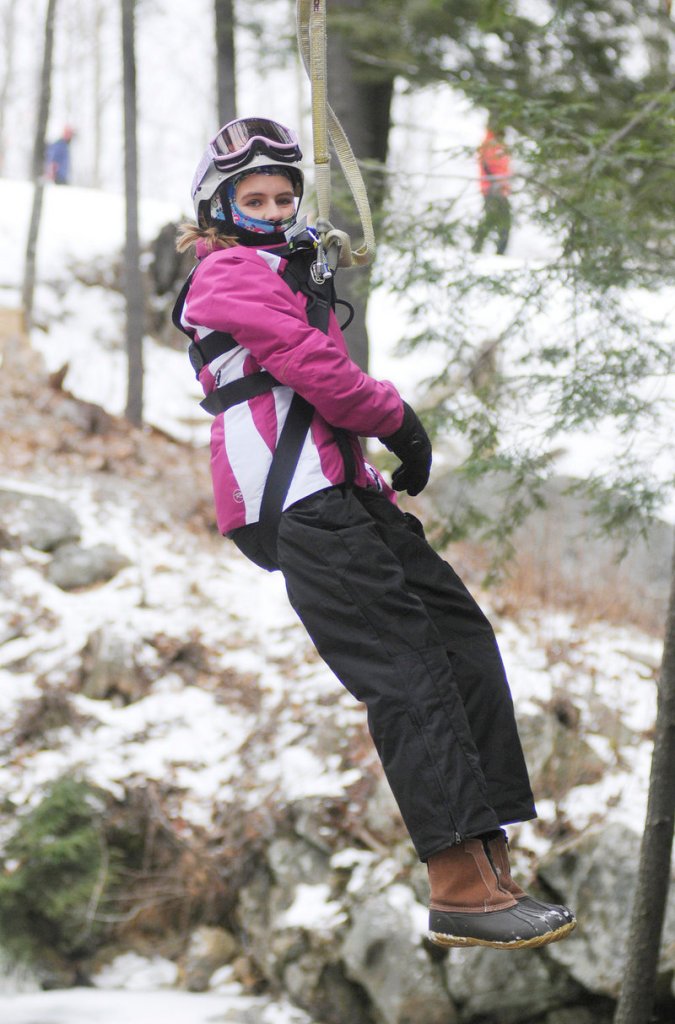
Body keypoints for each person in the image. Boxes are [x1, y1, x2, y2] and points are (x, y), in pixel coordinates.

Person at [173, 116, 576, 950]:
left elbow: (311, 349)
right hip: (293, 497)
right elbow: (309, 366)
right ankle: (458, 883)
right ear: (220, 206)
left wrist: (310, 271)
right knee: (405, 670)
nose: (275, 210)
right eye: (255, 199)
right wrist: (398, 419)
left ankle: (489, 856)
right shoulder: (224, 276)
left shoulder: (281, 268)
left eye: (285, 197)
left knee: (461, 640)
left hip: (341, 486)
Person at [473, 123, 511, 256]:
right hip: (492, 189)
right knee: (499, 219)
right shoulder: (489, 144)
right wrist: (495, 183)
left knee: (493, 219)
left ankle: (483, 249)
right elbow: (487, 165)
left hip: (500, 189)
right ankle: (482, 250)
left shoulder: (500, 145)